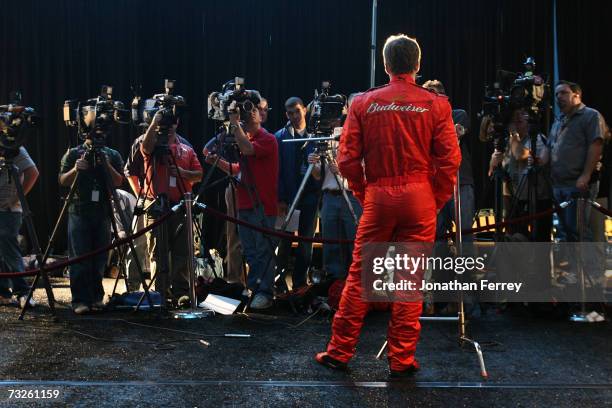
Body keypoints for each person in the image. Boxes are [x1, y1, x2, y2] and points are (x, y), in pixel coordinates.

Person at [315, 34, 461, 376]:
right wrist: (434, 198)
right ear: (418, 65)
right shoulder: (436, 104)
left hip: (380, 197)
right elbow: (451, 160)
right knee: (410, 281)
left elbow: (347, 160)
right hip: (420, 198)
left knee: (361, 276)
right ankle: (402, 359)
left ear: (385, 65)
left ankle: (339, 352)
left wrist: (367, 194)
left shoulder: (365, 103)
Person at [204, 99, 279, 309]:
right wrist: (216, 160)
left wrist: (235, 123)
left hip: (262, 204)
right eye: (249, 110)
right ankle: (255, 289)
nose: (251, 113)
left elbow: (247, 150)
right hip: (244, 203)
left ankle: (265, 292)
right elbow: (239, 170)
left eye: (254, 110)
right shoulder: (246, 138)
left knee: (263, 249)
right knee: (250, 250)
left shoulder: (267, 139)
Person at [140, 112, 203, 304]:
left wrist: (184, 173)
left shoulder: (186, 149)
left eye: (171, 122)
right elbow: (145, 148)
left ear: (177, 124)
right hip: (156, 206)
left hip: (181, 207)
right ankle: (159, 292)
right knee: (157, 252)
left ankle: (181, 292)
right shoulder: (152, 144)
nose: (168, 126)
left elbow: (199, 174)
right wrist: (154, 123)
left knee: (182, 252)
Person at [58, 135, 124, 314]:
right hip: (78, 209)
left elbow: (118, 182)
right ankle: (79, 300)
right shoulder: (73, 154)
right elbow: (62, 180)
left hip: (103, 211)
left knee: (100, 258)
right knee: (79, 258)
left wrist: (107, 165)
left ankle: (96, 297)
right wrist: (75, 169)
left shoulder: (112, 155)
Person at [548, 81, 606, 243]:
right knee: (565, 231)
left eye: (564, 93)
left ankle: (589, 268)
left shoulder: (590, 115)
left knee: (579, 230)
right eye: (557, 94)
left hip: (578, 184)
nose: (559, 97)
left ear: (577, 95)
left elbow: (596, 145)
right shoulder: (559, 120)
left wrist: (586, 175)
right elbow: (550, 147)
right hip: (558, 185)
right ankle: (574, 268)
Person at [274, 97, 322, 291]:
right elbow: (277, 171)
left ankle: (300, 283)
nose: (294, 115)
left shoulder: (316, 136)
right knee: (284, 242)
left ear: (304, 110)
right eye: (290, 112)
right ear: (286, 114)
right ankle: (279, 282)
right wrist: (280, 198)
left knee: (306, 242)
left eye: (297, 111)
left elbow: (322, 171)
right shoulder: (280, 137)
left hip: (310, 196)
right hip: (288, 197)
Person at [0, 146, 39, 307]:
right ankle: (3, 293)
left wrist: (16, 199)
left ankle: (23, 292)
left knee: (9, 248)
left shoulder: (13, 147)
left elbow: (32, 172)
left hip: (8, 210)